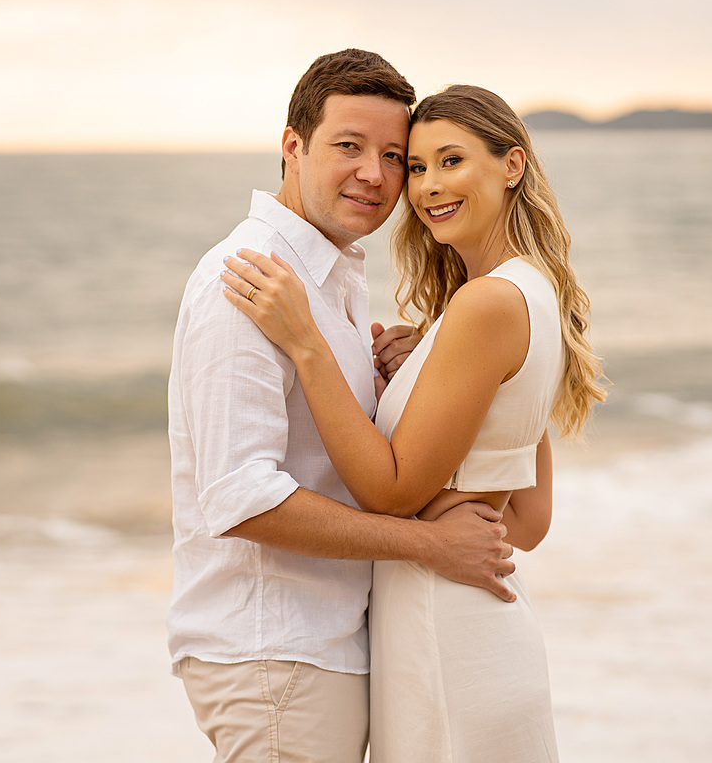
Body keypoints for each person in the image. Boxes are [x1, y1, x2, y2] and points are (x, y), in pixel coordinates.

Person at [222, 84, 606, 761]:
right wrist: (433, 380)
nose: (428, 187)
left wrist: (306, 342)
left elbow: (390, 492)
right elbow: (529, 520)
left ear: (511, 164)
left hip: (443, 634)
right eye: (418, 166)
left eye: (451, 160)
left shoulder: (485, 307)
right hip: (485, 630)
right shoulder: (532, 292)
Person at [166, 52, 522, 763]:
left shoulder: (332, 279)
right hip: (275, 650)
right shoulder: (250, 280)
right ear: (292, 147)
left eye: (395, 155)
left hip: (328, 643)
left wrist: (400, 383)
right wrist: (431, 547)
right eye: (349, 147)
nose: (376, 174)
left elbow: (333, 452)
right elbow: (242, 498)